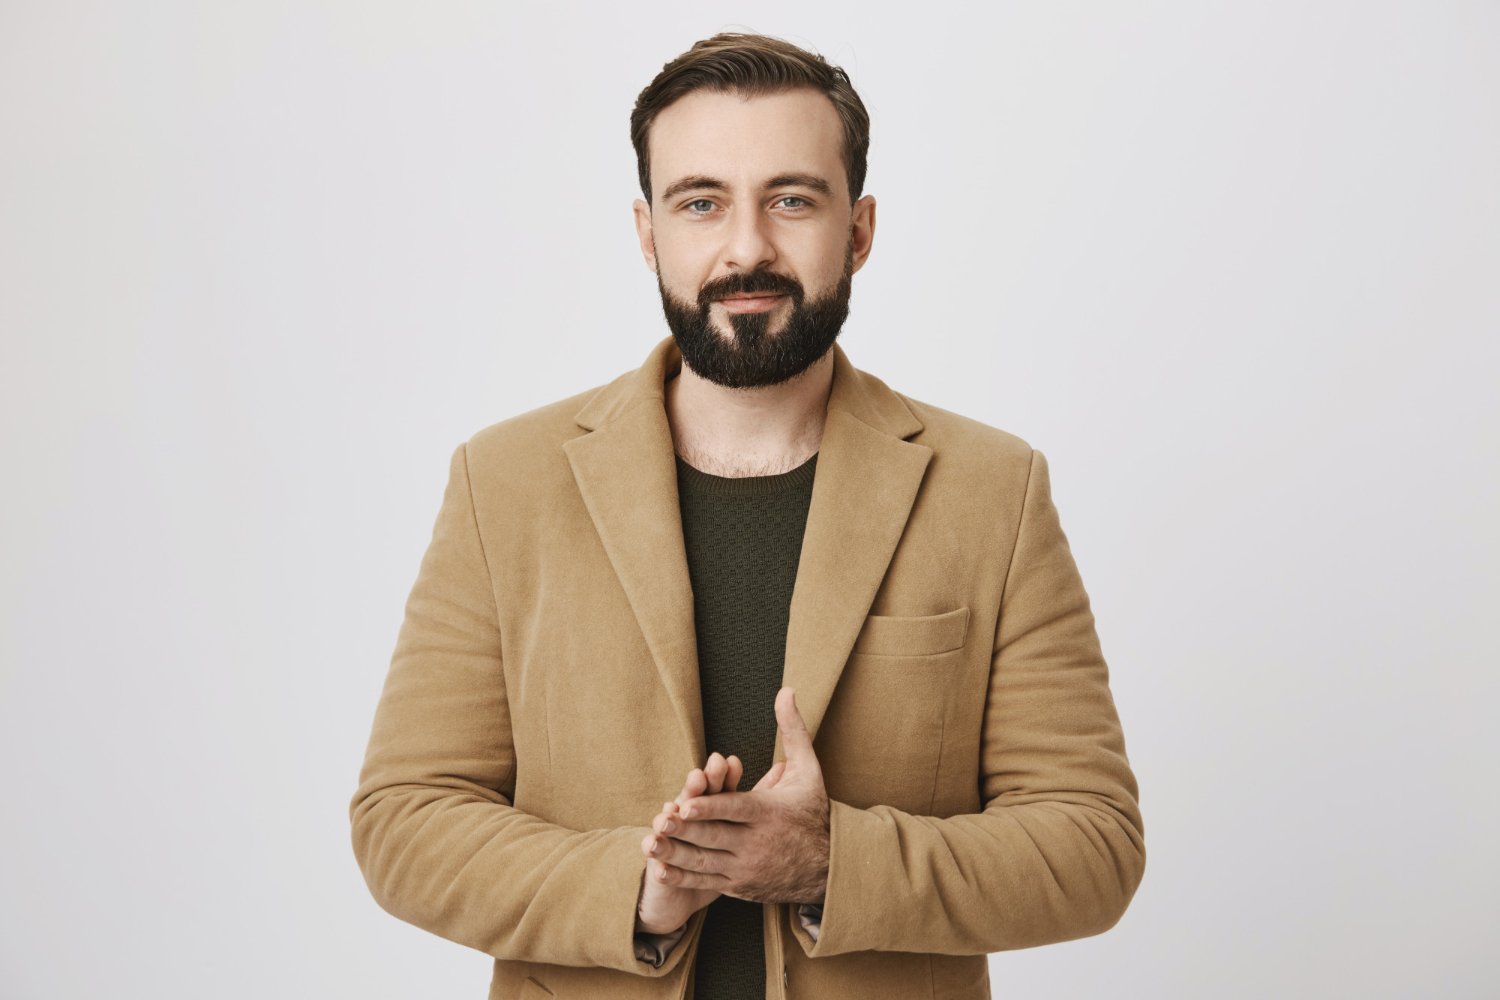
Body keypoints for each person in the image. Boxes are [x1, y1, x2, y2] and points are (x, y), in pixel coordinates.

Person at [350, 32, 1145, 1000]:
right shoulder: (505, 481)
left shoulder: (992, 489)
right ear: (649, 233)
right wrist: (637, 888)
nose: (747, 247)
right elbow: (404, 817)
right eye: (701, 202)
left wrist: (832, 862)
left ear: (859, 230)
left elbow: (1093, 844)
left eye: (792, 199)